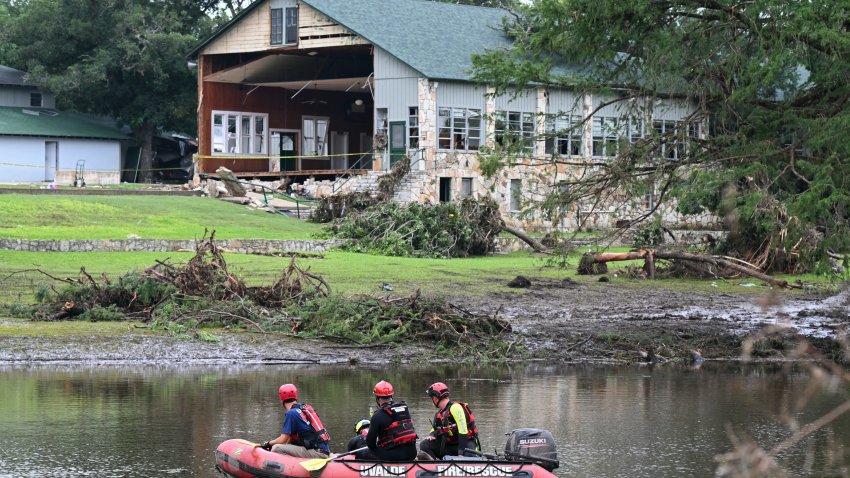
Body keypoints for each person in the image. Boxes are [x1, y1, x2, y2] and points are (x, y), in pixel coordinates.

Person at [259, 383, 331, 458]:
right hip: (324, 450)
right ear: (296, 396)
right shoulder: (304, 408)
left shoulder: (291, 413)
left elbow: (283, 440)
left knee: (276, 448)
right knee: (286, 444)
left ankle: (290, 468)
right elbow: (288, 439)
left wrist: (268, 444)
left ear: (281, 399)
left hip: (317, 453)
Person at [420, 382, 480, 459]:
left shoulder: (456, 407)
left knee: (468, 456)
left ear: (435, 398)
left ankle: (467, 461)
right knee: (424, 444)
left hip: (466, 445)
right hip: (450, 446)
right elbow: (434, 429)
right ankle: (436, 466)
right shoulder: (439, 414)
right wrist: (431, 435)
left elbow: (463, 431)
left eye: (431, 397)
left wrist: (460, 454)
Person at [365, 380, 418, 461]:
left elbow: (370, 443)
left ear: (377, 399)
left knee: (368, 451)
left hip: (394, 457)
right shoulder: (404, 409)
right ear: (391, 397)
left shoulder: (377, 415)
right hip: (412, 454)